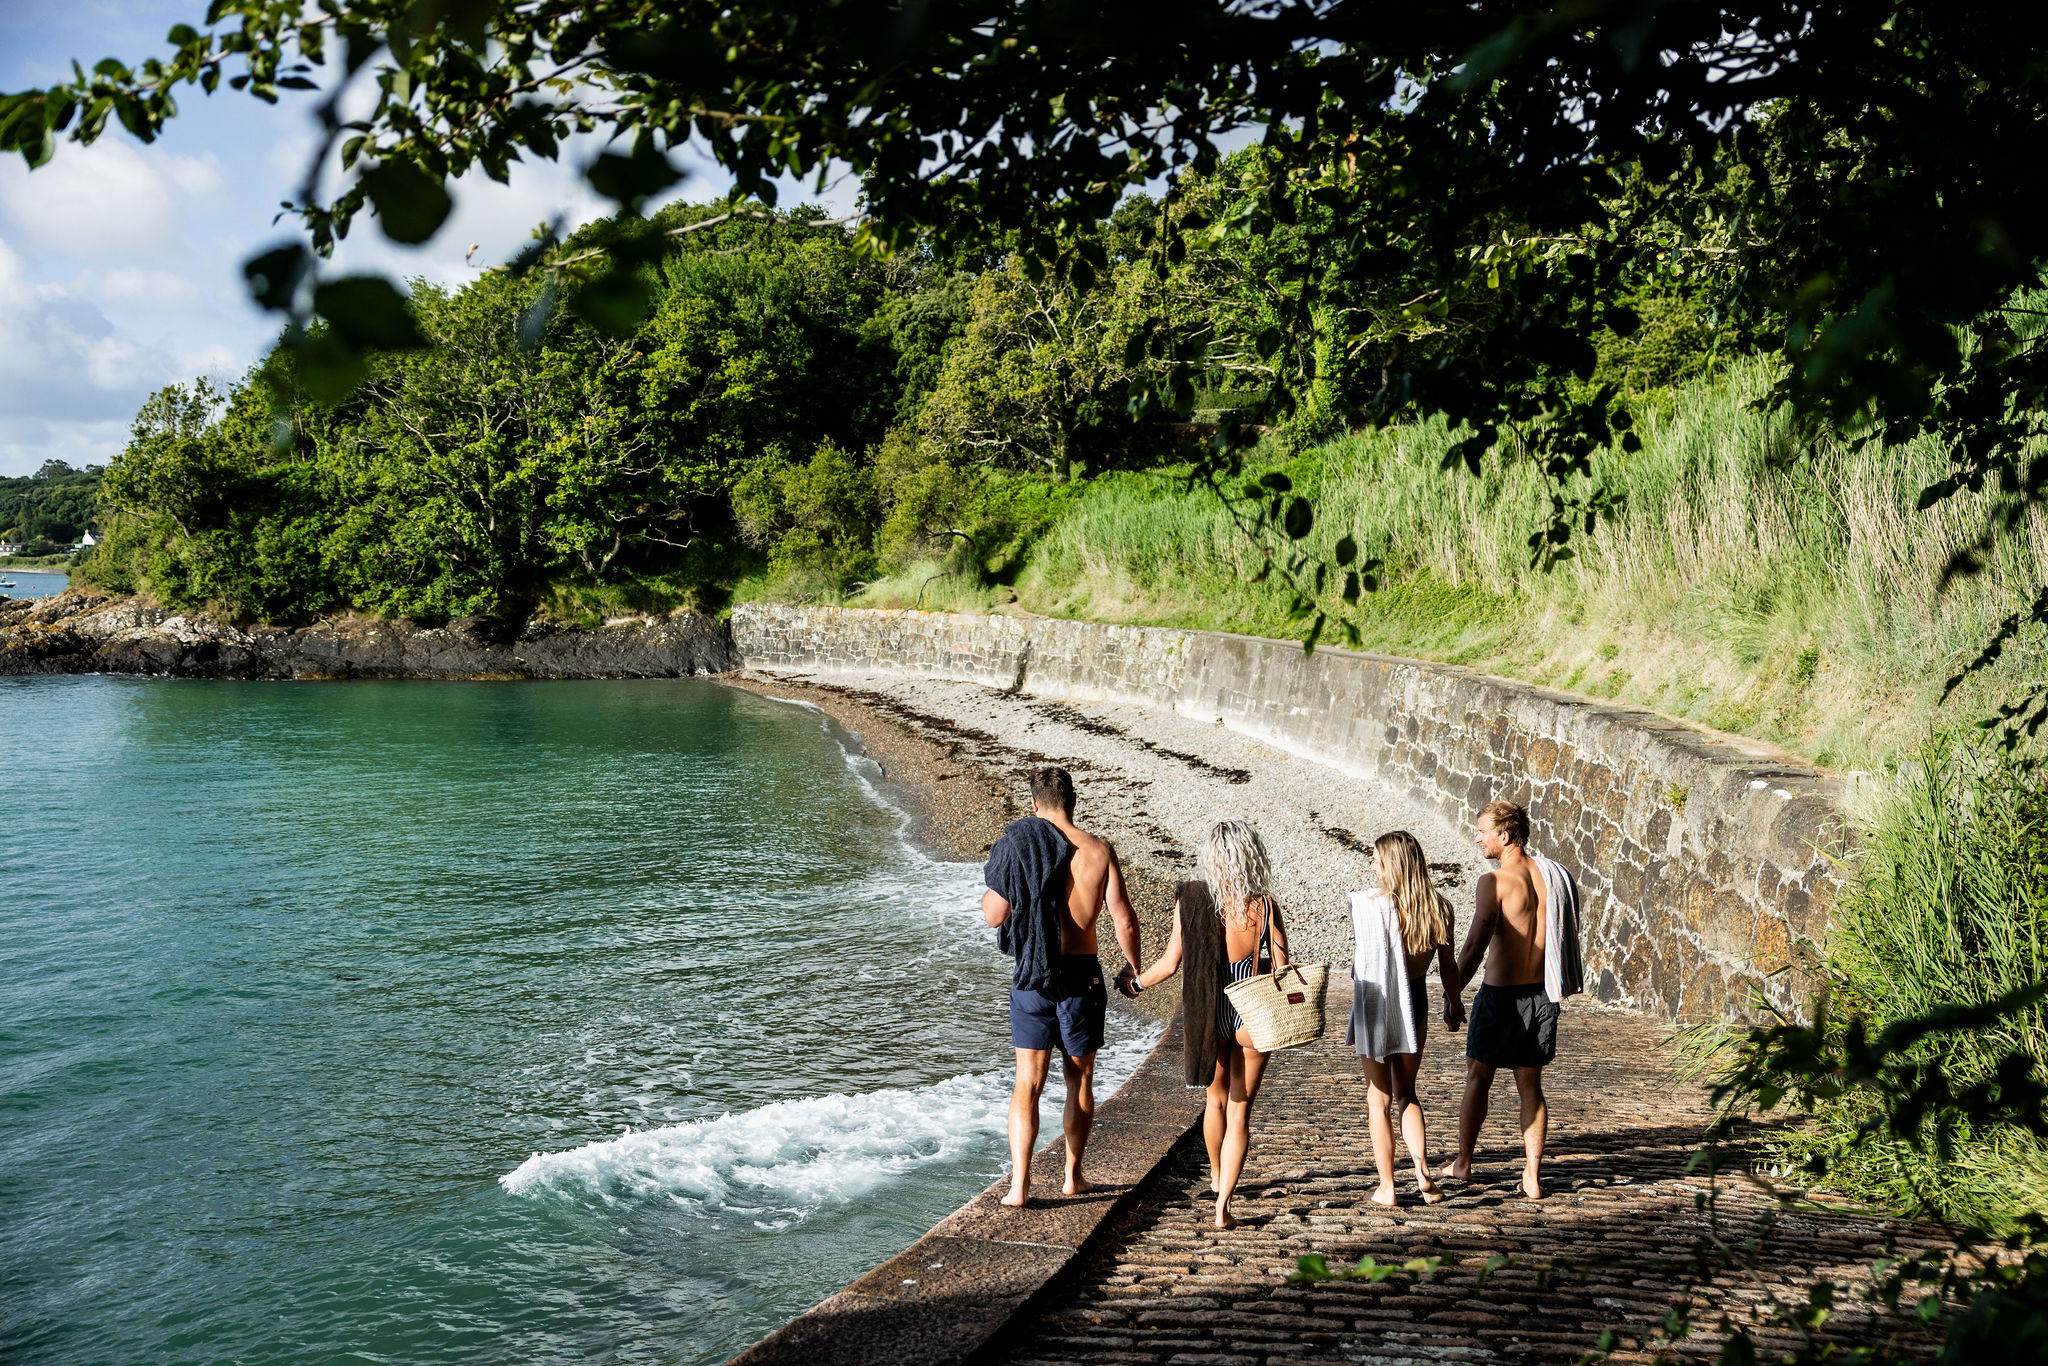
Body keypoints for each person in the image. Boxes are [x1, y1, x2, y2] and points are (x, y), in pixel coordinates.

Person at [1118, 820, 1290, 1230]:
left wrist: (1135, 983)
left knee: (1213, 1104)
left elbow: (1169, 964)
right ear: (1250, 857)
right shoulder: (1263, 905)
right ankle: (1223, 1207)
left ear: (1211, 859)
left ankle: (1214, 1178)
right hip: (1250, 1013)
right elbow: (1283, 968)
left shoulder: (1191, 901)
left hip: (1209, 1013)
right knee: (1240, 1109)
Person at [981, 767, 1142, 1207]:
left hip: (1033, 977)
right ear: (1073, 801)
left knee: (1027, 1083)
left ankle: (1019, 1187)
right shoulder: (1098, 851)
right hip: (1080, 976)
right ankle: (1073, 1177)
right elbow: (1123, 918)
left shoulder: (1020, 848)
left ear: (1034, 805)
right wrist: (1133, 969)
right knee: (1079, 1080)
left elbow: (994, 915)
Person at [1448, 799, 1580, 1200]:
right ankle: (1532, 1175)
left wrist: (1452, 994)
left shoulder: (1494, 882)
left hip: (1500, 997)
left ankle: (1464, 1162)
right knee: (1530, 1087)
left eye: (1481, 831)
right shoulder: (1553, 875)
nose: (1476, 837)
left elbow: (1474, 945)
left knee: (1478, 1079)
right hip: (1541, 993)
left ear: (1504, 836)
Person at [1347, 830, 1465, 1207]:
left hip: (1379, 1003)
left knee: (1377, 1099)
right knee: (1407, 1093)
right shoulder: (1439, 908)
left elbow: (1362, 963)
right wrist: (1454, 1001)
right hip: (1414, 1002)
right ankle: (1422, 1174)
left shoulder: (1372, 907)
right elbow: (1448, 967)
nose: (1372, 867)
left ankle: (1387, 1186)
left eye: (1376, 861)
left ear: (1392, 866)